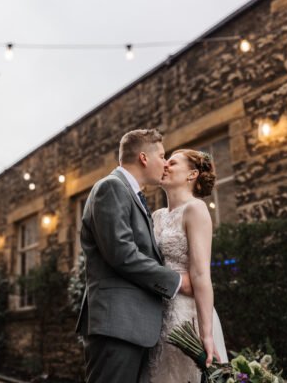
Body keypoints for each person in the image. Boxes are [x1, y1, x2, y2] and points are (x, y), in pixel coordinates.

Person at [75, 129, 192, 383]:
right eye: (161, 156)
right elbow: (122, 254)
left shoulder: (132, 194)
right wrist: (177, 281)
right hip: (116, 325)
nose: (165, 162)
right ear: (143, 158)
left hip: (132, 326)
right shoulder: (111, 187)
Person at [146, 149, 228, 383]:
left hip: (186, 315)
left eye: (172, 163)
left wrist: (206, 334)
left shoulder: (196, 209)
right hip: (157, 314)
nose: (165, 166)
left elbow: (201, 275)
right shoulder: (157, 216)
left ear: (192, 174)